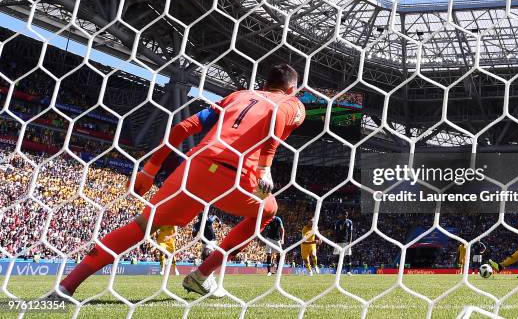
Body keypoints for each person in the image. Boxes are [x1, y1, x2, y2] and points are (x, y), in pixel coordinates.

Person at [53, 63, 305, 299]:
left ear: (264, 83)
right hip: (237, 177)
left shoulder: (238, 96)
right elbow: (277, 118)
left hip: (196, 167)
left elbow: (185, 126)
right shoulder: (292, 103)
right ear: (292, 88)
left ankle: (66, 286)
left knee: (142, 225)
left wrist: (149, 171)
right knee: (268, 211)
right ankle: (202, 275)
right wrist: (265, 169)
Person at [333, 211, 353, 275]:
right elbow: (335, 233)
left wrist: (350, 241)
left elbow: (351, 232)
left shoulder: (349, 222)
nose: (345, 215)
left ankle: (348, 272)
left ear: (347, 215)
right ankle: (336, 271)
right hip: (338, 242)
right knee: (337, 256)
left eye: (346, 214)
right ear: (341, 215)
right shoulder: (338, 222)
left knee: (348, 256)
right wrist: (335, 242)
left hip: (347, 242)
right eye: (344, 214)